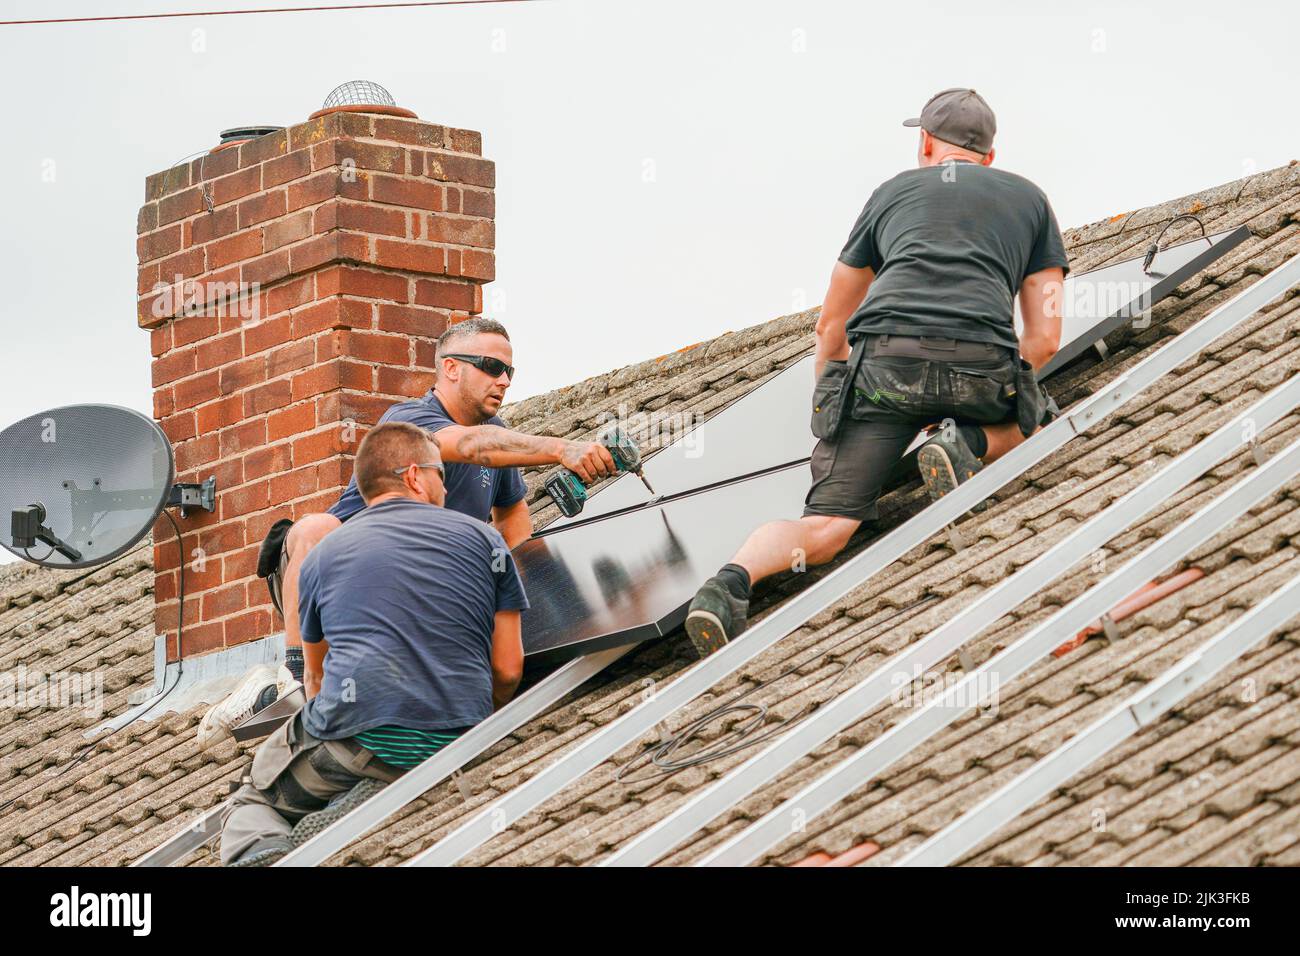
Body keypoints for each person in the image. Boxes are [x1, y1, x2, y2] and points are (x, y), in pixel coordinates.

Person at [685, 88, 1069, 657]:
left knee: (827, 527)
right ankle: (966, 443)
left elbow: (831, 323)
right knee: (1043, 417)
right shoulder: (1031, 201)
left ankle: (728, 584)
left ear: (925, 144)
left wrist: (833, 395)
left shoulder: (891, 194)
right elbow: (1046, 335)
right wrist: (1015, 389)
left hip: (884, 364)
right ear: (990, 156)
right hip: (980, 362)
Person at [198, 317, 614, 745]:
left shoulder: (500, 439)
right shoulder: (410, 421)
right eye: (491, 366)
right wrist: (562, 448)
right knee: (314, 528)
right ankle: (294, 680)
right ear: (451, 368)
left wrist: (540, 598)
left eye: (510, 371)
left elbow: (513, 525)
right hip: (358, 590)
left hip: (426, 601)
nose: (504, 380)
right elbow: (473, 446)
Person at [219, 421, 528, 866]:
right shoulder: (487, 541)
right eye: (440, 473)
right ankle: (375, 783)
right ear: (414, 475)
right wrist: (471, 717)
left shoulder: (321, 556)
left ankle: (272, 849)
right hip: (461, 728)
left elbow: (317, 677)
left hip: (363, 735)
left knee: (250, 800)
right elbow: (508, 669)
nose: (445, 485)